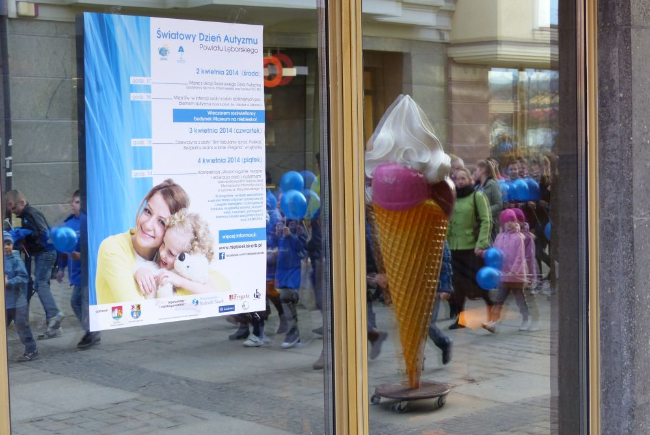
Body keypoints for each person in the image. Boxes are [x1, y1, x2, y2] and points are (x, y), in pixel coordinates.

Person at [95, 179, 189, 304]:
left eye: (161, 222)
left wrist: (180, 281)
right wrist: (137, 272)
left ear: (172, 230)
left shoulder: (165, 257)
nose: (148, 225)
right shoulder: (112, 248)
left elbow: (210, 284)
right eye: (148, 211)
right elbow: (136, 310)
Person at [5, 190, 64, 339]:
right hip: (44, 252)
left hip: (45, 252)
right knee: (42, 285)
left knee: (40, 284)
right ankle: (54, 327)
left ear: (22, 202)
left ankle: (54, 314)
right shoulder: (27, 215)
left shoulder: (31, 213)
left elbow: (43, 233)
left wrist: (27, 235)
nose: (14, 212)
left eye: (14, 208)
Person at [446, 168, 493, 329]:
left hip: (472, 247)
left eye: (463, 178)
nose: (459, 182)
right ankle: (461, 319)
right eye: (457, 179)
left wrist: (481, 243)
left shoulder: (477, 196)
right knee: (457, 285)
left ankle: (492, 312)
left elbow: (486, 220)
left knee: (479, 284)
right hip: (454, 247)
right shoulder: (452, 197)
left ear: (469, 179)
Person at [56, 190, 100, 348]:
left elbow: (94, 248)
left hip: (86, 271)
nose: (73, 205)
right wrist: (61, 268)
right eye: (73, 202)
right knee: (80, 302)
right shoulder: (69, 223)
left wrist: (81, 256)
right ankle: (91, 330)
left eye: (77, 202)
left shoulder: (87, 222)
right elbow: (64, 247)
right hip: (75, 271)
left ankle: (91, 330)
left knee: (77, 301)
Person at [482, 209, 531, 333]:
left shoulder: (519, 237)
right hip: (503, 275)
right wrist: (487, 255)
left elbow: (520, 257)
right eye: (506, 221)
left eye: (512, 220)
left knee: (520, 299)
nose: (509, 223)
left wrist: (513, 272)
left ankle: (526, 319)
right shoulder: (499, 237)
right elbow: (495, 253)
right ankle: (494, 322)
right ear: (502, 223)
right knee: (499, 300)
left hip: (516, 276)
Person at [4, 231, 38, 361]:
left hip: (18, 301)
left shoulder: (16, 259)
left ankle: (31, 349)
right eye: (3, 244)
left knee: (22, 326)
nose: (6, 247)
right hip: (5, 302)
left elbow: (24, 277)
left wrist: (9, 282)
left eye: (8, 244)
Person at [275, 218, 307, 349]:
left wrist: (290, 236)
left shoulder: (299, 227)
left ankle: (293, 332)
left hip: (294, 269)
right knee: (285, 299)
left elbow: (302, 247)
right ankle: (294, 333)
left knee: (287, 297)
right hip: (281, 269)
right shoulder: (281, 223)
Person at [428, 241, 453, 364]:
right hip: (410, 286)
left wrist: (444, 288)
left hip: (431, 287)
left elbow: (445, 263)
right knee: (409, 325)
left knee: (426, 324)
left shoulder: (437, 238)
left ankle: (444, 342)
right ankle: (415, 361)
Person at [473, 159, 503, 242]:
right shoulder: (476, 186)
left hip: (490, 224)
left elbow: (499, 204)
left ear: (482, 170)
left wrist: (484, 212)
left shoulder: (492, 184)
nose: (474, 173)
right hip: (478, 224)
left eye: (475, 170)